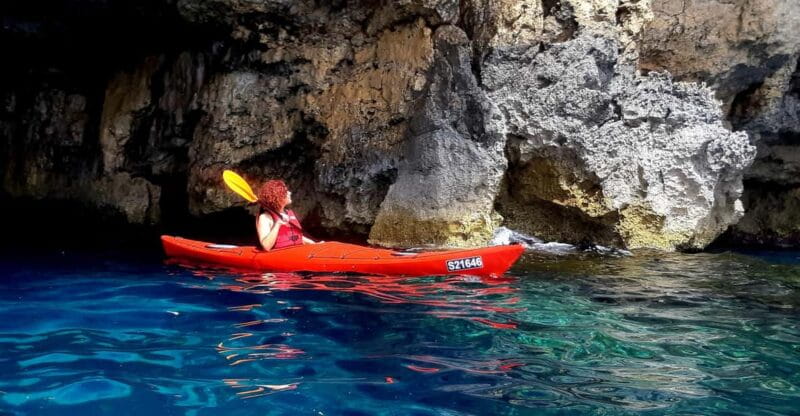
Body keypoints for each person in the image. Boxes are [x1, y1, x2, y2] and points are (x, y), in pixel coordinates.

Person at [255, 180, 318, 251]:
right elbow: (266, 246)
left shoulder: (289, 213)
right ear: (278, 197)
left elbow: (299, 238)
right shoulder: (265, 217)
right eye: (285, 192)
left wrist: (315, 245)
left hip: (297, 252)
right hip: (279, 256)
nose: (290, 193)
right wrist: (277, 224)